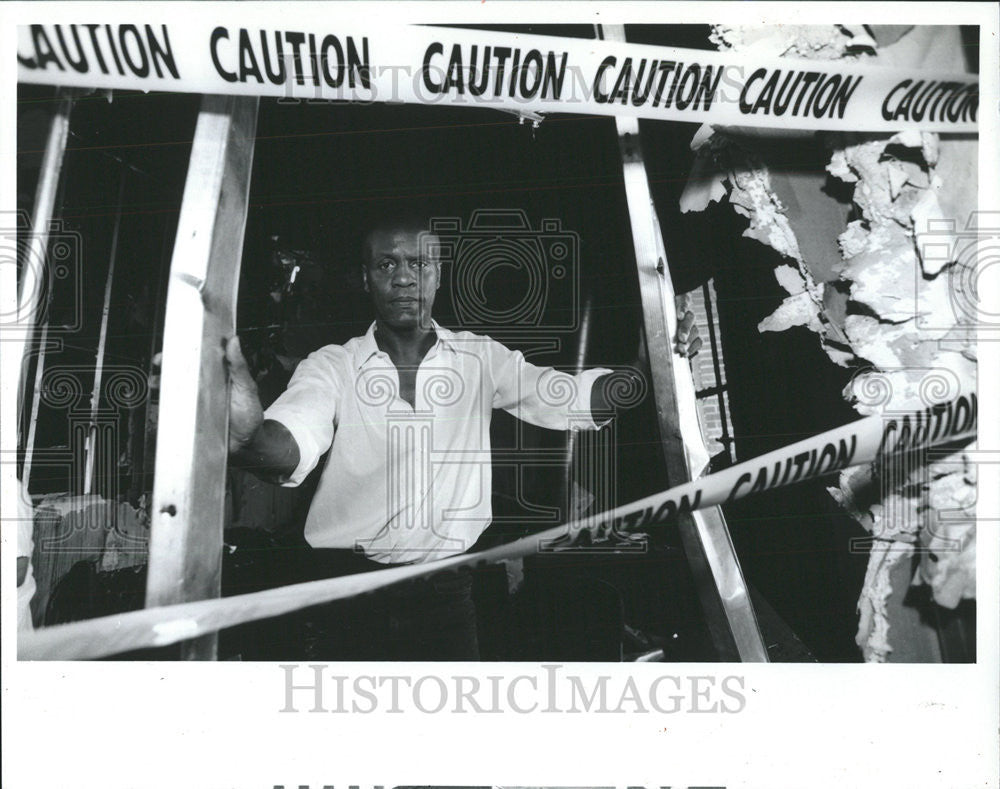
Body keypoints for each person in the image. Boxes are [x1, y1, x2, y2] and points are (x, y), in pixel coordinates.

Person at [227, 213, 700, 660]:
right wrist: (246, 432)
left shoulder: (479, 359)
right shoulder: (332, 365)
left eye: (419, 263)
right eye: (387, 264)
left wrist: (646, 366)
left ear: (437, 275)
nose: (404, 277)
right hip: (345, 597)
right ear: (366, 277)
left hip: (445, 602)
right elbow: (286, 446)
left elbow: (568, 399)